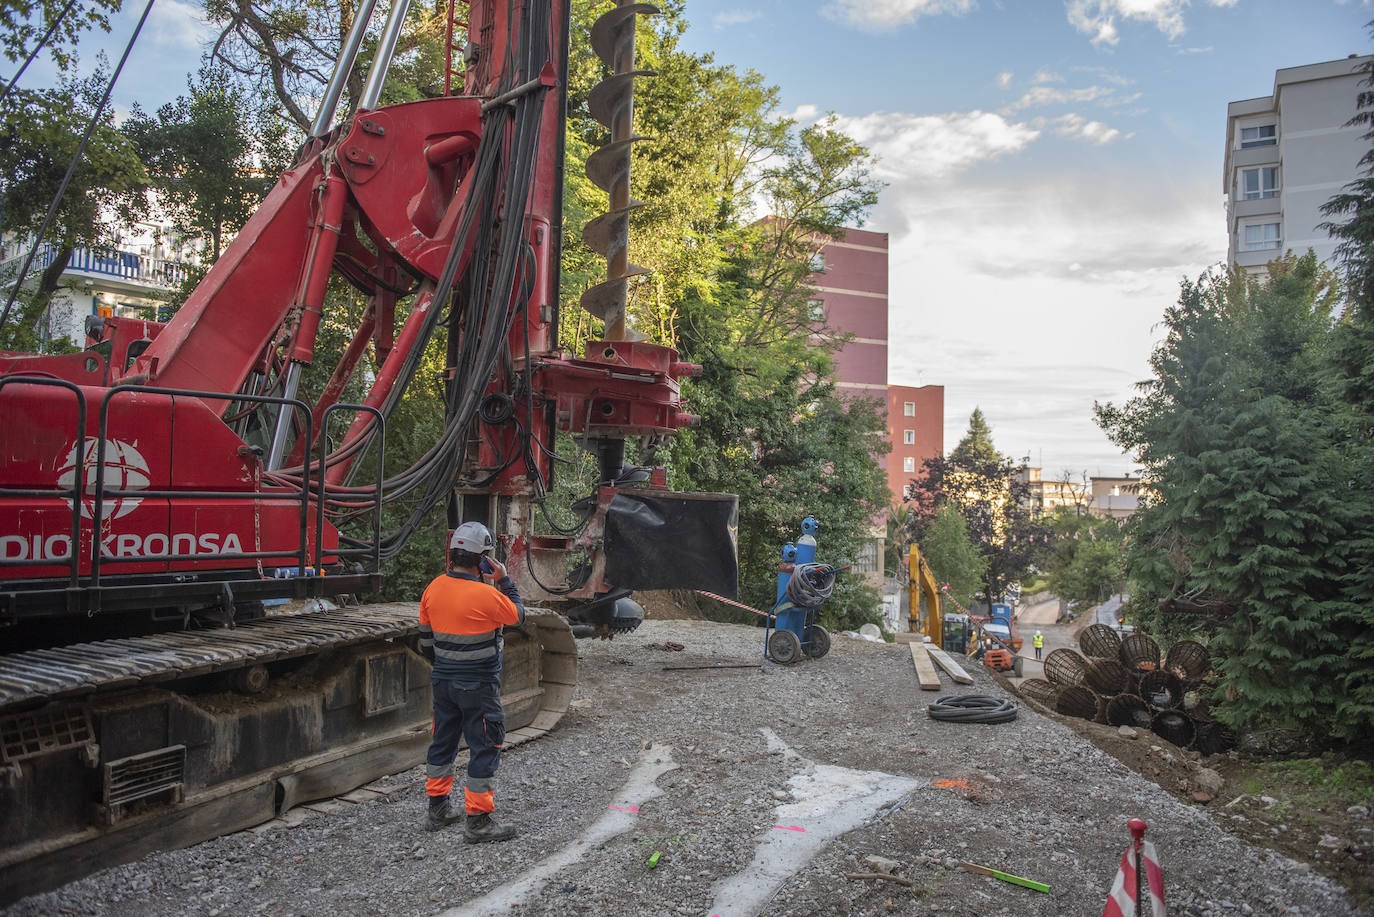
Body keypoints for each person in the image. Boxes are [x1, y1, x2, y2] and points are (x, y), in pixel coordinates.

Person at [418, 521, 524, 842]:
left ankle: (437, 810)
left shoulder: (432, 589)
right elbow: (518, 615)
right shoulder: (487, 595)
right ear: (481, 560)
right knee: (485, 744)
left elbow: (426, 644)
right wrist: (504, 579)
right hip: (478, 685)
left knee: (443, 742)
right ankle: (477, 822)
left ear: (453, 555)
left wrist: (449, 667)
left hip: (444, 682)